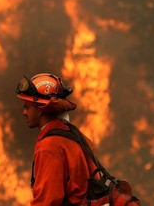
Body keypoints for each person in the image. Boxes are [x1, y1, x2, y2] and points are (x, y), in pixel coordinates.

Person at [15, 73, 97, 206]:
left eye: (27, 107)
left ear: (40, 109)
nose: (24, 112)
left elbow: (47, 201)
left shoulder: (49, 147)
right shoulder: (79, 137)